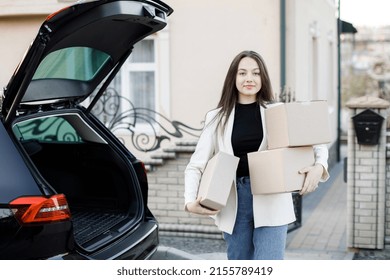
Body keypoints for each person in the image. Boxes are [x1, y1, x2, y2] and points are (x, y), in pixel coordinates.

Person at [184, 50, 329, 260]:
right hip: (235, 202)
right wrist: (190, 201)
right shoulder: (216, 118)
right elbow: (196, 165)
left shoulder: (276, 111)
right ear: (233, 78)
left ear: (263, 78)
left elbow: (314, 139)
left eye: (256, 73)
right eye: (242, 73)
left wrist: (320, 167)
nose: (249, 79)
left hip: (272, 199)